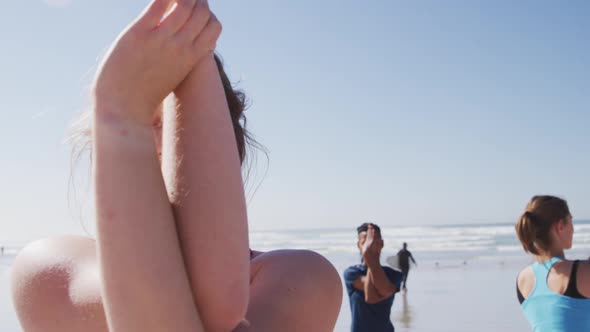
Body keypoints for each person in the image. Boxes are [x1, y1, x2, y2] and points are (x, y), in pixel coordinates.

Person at [10, 1, 342, 331]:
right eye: (143, 124)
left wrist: (124, 111)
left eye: (174, 124)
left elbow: (204, 306)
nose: (159, 142)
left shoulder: (299, 277)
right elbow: (207, 307)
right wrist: (122, 112)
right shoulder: (50, 269)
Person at [515, 195, 590, 331]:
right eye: (570, 222)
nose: (573, 229)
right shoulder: (579, 273)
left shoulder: (523, 278)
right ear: (560, 226)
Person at [344, 223, 402, 332]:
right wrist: (369, 255)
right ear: (358, 245)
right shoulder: (352, 273)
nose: (369, 246)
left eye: (373, 242)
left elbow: (378, 294)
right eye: (365, 243)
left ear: (381, 243)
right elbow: (370, 296)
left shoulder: (394, 275)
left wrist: (369, 255)